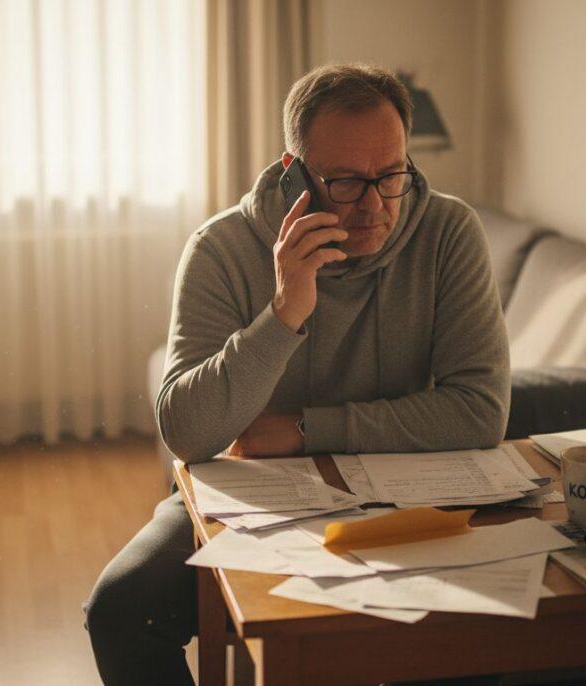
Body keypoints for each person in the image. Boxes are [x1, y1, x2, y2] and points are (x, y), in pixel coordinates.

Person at [83, 63, 510, 685]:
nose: (372, 206)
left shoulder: (448, 233)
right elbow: (188, 432)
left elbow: (478, 411)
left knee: (470, 633)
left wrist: (306, 430)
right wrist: (285, 311)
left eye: (390, 176)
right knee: (121, 609)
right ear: (294, 173)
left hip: (404, 493)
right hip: (252, 497)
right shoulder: (221, 248)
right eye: (343, 182)